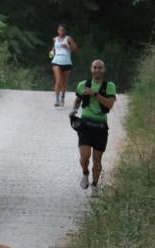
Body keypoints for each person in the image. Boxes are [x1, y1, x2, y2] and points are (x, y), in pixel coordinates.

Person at [70, 58, 117, 193]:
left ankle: (95, 186)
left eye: (100, 68)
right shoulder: (83, 85)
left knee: (97, 160)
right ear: (91, 69)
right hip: (85, 125)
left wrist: (95, 94)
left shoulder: (110, 86)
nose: (97, 70)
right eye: (95, 67)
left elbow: (110, 104)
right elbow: (78, 99)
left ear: (104, 70)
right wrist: (74, 110)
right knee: (84, 156)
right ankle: (85, 173)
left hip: (101, 127)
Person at [49, 24, 78, 107]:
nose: (61, 32)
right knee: (58, 81)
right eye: (59, 30)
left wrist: (68, 46)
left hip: (67, 63)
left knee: (64, 83)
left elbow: (75, 49)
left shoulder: (68, 38)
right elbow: (54, 48)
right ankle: (57, 100)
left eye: (63, 30)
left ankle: (62, 98)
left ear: (65, 31)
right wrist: (51, 53)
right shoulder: (55, 39)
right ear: (57, 31)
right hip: (56, 62)